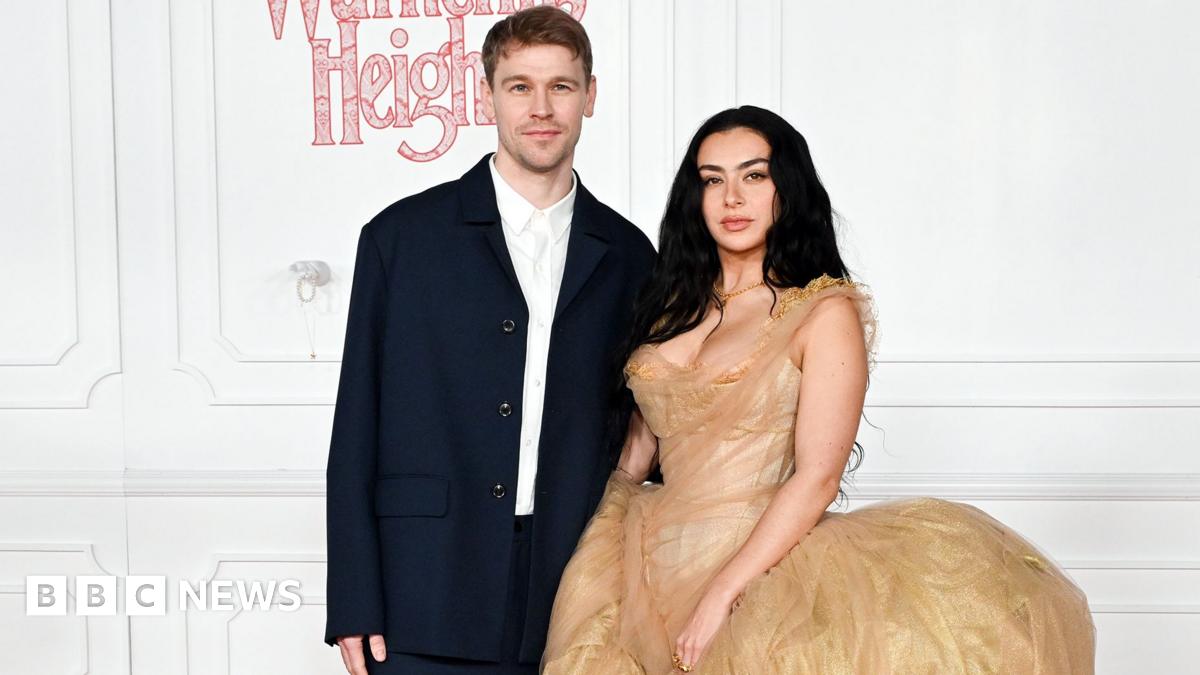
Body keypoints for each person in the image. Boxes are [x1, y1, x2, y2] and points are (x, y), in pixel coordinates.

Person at [541, 106, 1096, 674]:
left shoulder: (822, 312)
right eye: (713, 180)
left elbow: (818, 478)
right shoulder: (671, 306)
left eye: (755, 176)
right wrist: (589, 541)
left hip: (759, 570)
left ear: (788, 189)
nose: (732, 198)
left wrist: (721, 595)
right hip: (645, 559)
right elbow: (638, 453)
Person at [323, 7, 656, 675]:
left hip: (578, 586)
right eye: (519, 86)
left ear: (590, 96)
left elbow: (651, 419)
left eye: (561, 86)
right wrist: (353, 596)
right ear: (486, 96)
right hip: (423, 588)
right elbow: (356, 425)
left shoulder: (631, 256)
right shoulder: (400, 239)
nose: (541, 108)